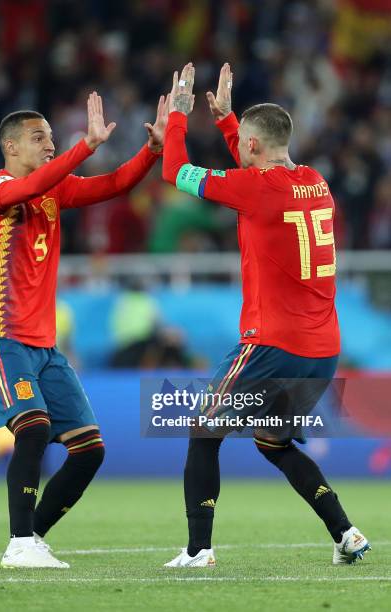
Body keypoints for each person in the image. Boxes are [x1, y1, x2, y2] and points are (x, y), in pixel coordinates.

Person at [162, 63, 370, 567]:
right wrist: (232, 123)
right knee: (273, 441)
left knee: (202, 429)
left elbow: (174, 172)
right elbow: (257, 169)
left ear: (253, 150)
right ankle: (346, 533)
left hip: (272, 341)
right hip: (322, 347)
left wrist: (177, 117)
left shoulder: (254, 189)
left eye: (242, 145)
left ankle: (198, 550)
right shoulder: (314, 182)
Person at [0, 92, 169, 568]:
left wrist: (153, 150)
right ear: (11, 147)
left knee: (89, 450)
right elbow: (28, 188)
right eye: (40, 139)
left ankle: (32, 535)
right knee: (33, 428)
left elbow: (116, 184)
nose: (50, 146)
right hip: (1, 336)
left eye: (53, 139)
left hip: (45, 348)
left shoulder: (53, 191)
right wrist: (85, 146)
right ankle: (18, 543)